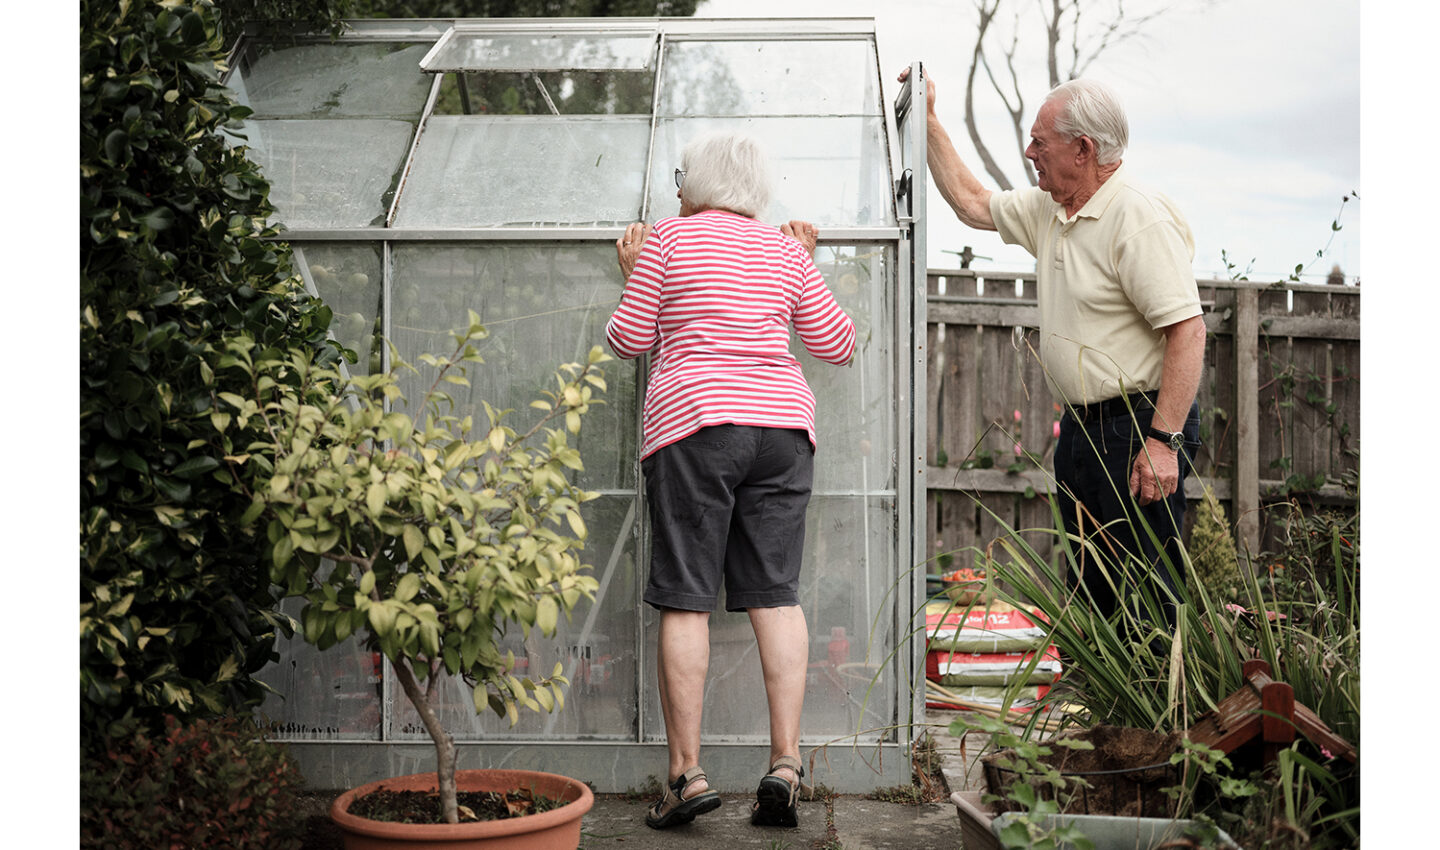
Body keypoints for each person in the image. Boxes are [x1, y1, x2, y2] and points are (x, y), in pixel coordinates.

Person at [605, 131, 855, 830]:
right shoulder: (784, 250)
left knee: (687, 598)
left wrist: (636, 274)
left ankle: (686, 777)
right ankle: (784, 765)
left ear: (699, 185)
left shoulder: (668, 242)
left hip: (696, 425)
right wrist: (804, 266)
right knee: (775, 596)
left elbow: (627, 339)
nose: (675, 189)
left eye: (680, 177)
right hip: (782, 433)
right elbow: (837, 343)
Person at [901, 67, 1206, 620]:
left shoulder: (1136, 216)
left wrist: (1163, 443)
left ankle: (1163, 706)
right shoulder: (1052, 209)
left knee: (1147, 597)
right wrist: (928, 122)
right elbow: (972, 203)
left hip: (1140, 425)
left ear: (1083, 149)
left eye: (1041, 142)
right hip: (1083, 429)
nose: (1029, 150)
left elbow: (1187, 331)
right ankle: (1106, 709)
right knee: (1092, 593)